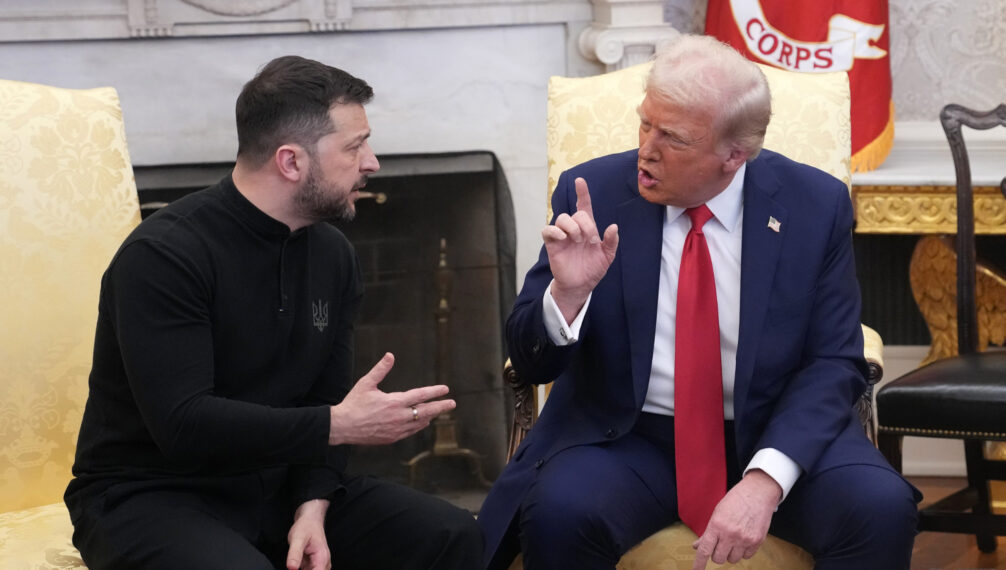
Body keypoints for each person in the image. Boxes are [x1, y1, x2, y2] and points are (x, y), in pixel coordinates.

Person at [477, 34, 920, 570]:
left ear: (735, 155)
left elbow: (833, 360)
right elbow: (530, 360)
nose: (647, 148)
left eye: (674, 138)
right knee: (559, 511)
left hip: (774, 427)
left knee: (880, 507)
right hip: (630, 435)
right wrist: (567, 296)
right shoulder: (591, 191)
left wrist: (765, 480)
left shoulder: (814, 205)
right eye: (645, 123)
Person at [64, 55, 484, 570]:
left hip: (280, 486)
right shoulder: (164, 256)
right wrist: (337, 425)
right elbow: (185, 424)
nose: (372, 162)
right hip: (150, 495)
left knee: (451, 537)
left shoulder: (333, 254)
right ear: (291, 162)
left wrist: (313, 507)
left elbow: (325, 398)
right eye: (354, 146)